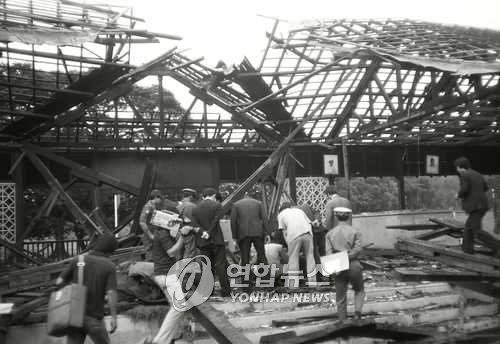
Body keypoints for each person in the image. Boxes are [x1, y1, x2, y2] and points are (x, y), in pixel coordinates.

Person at [56, 232, 118, 344]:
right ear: (110, 250)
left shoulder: (78, 260)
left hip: (75, 316)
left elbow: (59, 282)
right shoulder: (109, 266)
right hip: (94, 318)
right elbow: (111, 293)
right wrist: (114, 317)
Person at [148, 220, 187, 344]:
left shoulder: (160, 234)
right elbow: (171, 252)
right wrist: (183, 237)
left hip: (163, 276)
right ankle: (160, 340)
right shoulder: (163, 234)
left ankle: (172, 337)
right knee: (179, 307)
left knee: (175, 307)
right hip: (167, 276)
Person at [325, 207, 364, 322]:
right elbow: (357, 250)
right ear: (348, 217)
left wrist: (337, 263)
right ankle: (357, 315)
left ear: (336, 217)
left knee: (341, 295)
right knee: (359, 290)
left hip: (338, 265)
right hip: (353, 264)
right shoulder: (355, 232)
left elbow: (328, 253)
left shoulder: (329, 234)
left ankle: (342, 320)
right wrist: (348, 257)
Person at [192, 188, 231, 297]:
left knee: (206, 268)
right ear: (213, 195)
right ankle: (225, 292)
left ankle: (208, 292)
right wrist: (209, 232)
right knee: (221, 266)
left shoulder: (195, 209)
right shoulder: (217, 206)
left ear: (203, 196)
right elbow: (216, 220)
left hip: (203, 242)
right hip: (217, 240)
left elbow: (194, 225)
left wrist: (203, 232)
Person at [454, 157, 490, 254]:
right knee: (468, 229)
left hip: (476, 207)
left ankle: (497, 245)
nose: (457, 170)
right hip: (482, 205)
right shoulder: (477, 174)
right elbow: (486, 187)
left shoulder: (464, 175)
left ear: (459, 167)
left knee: (477, 231)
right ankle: (467, 250)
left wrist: (458, 195)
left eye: (457, 168)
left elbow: (465, 189)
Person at [277, 202, 316, 288]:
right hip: (307, 233)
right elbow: (310, 223)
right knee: (310, 257)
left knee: (293, 258)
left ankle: (293, 285)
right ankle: (313, 284)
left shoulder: (281, 215)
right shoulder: (299, 211)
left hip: (294, 234)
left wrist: (289, 246)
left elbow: (284, 232)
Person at [231, 193, 269, 269]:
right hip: (257, 232)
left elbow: (233, 221)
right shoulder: (259, 203)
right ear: (251, 197)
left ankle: (246, 280)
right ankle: (265, 278)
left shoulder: (236, 204)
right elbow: (264, 219)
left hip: (243, 233)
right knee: (262, 255)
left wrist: (234, 236)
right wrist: (267, 232)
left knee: (245, 258)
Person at [139, 189, 164, 260]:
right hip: (149, 235)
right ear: (156, 197)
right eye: (160, 198)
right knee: (150, 256)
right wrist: (150, 235)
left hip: (154, 233)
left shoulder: (155, 206)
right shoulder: (148, 206)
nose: (161, 201)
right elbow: (142, 222)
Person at [177, 188, 199, 259]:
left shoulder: (178, 206)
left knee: (179, 254)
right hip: (188, 234)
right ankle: (187, 269)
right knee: (189, 254)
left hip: (177, 233)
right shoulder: (191, 206)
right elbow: (192, 223)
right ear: (191, 196)